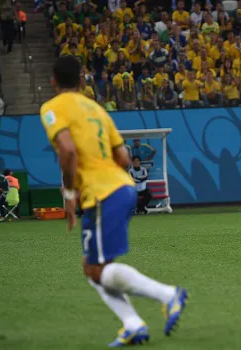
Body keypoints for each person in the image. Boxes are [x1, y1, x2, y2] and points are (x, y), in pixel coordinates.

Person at [39, 56, 187, 347]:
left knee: (95, 268)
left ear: (53, 80)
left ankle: (169, 295)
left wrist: (70, 194)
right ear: (82, 81)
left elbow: (67, 151)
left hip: (103, 194)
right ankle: (133, 324)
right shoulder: (97, 109)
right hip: (121, 187)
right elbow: (121, 158)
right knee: (94, 268)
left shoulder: (52, 108)